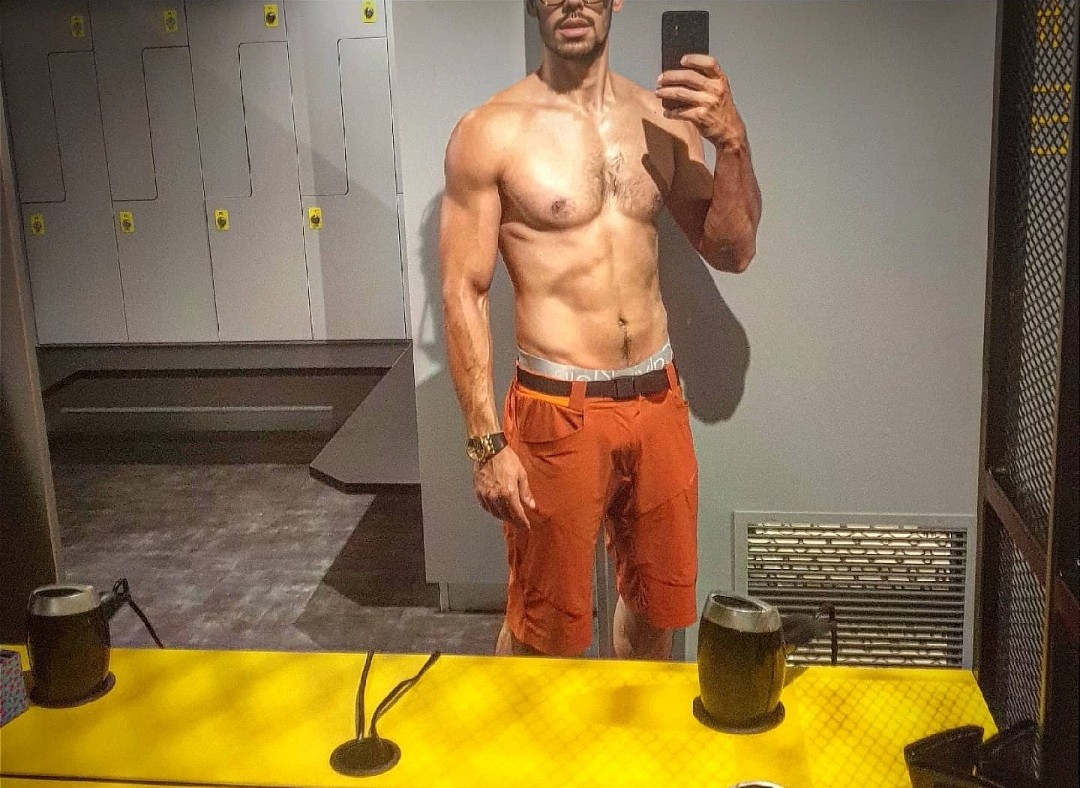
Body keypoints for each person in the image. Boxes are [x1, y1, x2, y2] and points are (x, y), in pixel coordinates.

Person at [439, 0, 761, 659]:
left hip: (657, 402)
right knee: (543, 631)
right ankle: (530, 729)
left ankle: (631, 725)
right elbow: (463, 290)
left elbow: (731, 251)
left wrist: (732, 143)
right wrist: (485, 444)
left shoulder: (662, 119)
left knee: (656, 612)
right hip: (556, 409)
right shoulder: (490, 131)